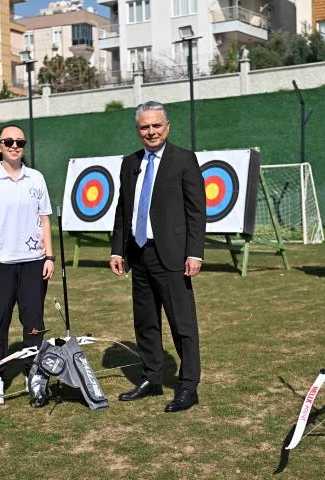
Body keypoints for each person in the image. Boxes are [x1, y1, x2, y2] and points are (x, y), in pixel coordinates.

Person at [110, 101, 206, 413]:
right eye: (144, 127)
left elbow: (196, 211)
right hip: (139, 255)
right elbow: (123, 210)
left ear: (167, 127)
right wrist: (117, 249)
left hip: (174, 256)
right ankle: (151, 378)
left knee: (182, 324)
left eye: (156, 126)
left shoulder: (184, 160)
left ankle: (188, 386)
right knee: (146, 322)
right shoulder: (129, 163)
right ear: (138, 130)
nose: (151, 131)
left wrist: (194, 253)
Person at [0, 124, 54, 405]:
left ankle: (35, 372)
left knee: (33, 323)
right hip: (0, 265)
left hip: (33, 263)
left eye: (20, 141)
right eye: (8, 141)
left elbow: (44, 219)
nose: (15, 145)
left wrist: (50, 256)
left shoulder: (36, 179)